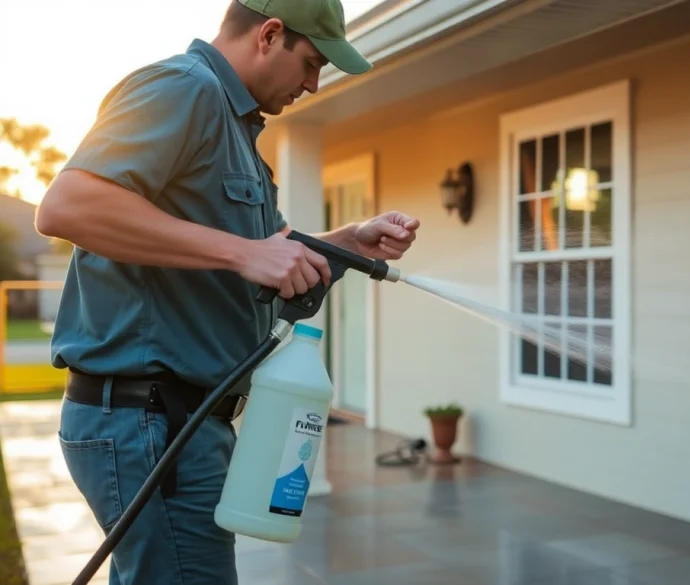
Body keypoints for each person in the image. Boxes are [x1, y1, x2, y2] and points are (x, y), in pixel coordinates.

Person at [33, 1, 419, 583]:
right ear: (269, 35)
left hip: (179, 423)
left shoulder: (235, 127)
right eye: (312, 62)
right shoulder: (182, 89)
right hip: (149, 423)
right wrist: (247, 252)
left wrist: (351, 242)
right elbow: (68, 206)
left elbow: (268, 251)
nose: (313, 85)